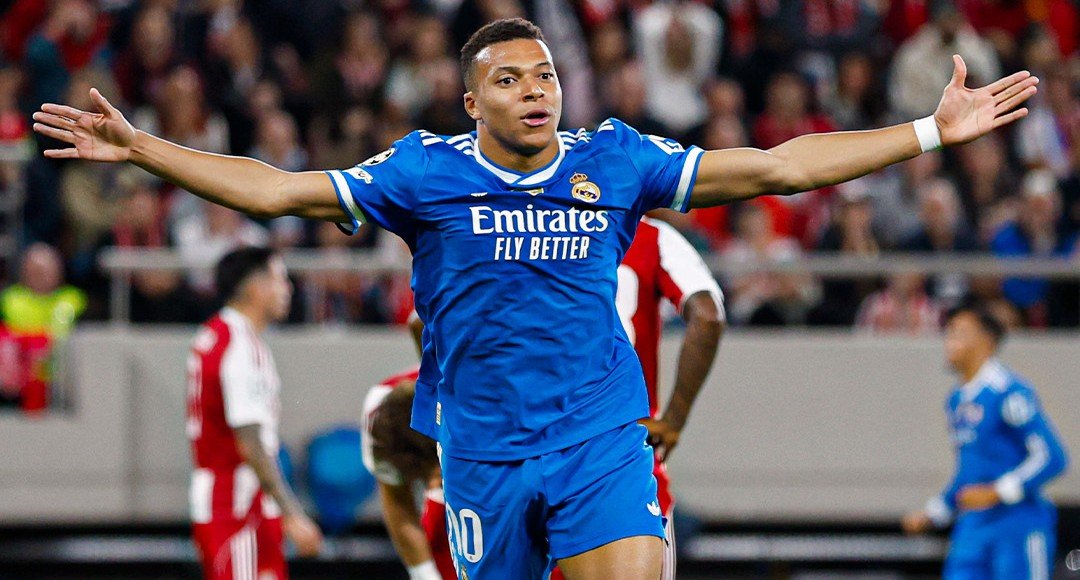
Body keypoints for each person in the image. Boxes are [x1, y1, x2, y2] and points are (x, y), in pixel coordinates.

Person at [34, 16, 1037, 579]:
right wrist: (144, 149)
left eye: (546, 74)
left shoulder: (616, 160)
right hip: (481, 452)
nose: (536, 89)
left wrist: (929, 133)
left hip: (600, 436)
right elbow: (275, 190)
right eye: (510, 80)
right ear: (473, 102)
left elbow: (779, 166)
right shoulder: (423, 173)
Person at [367, 218, 725, 580]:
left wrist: (455, 414)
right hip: (613, 449)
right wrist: (674, 420)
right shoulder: (653, 237)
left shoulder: (515, 222)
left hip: (508, 451)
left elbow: (422, 321)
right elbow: (708, 316)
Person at [185, 247, 323, 579]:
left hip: (229, 501)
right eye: (280, 279)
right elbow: (250, 444)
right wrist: (293, 514)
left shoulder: (214, 334)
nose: (288, 289)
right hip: (238, 506)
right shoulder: (241, 346)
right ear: (255, 287)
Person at [902, 304, 1068, 579]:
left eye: (960, 333)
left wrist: (997, 492)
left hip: (1017, 522)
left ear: (986, 341)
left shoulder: (1007, 391)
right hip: (973, 524)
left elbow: (1052, 457)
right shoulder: (957, 400)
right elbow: (969, 470)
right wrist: (935, 511)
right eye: (949, 333)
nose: (949, 341)